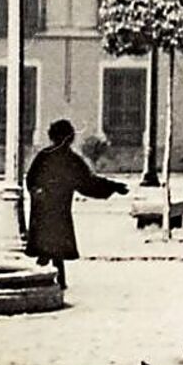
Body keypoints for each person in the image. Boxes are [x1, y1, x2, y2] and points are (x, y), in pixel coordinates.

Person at [25, 119, 129, 289]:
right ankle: (54, 279)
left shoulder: (49, 156)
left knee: (50, 248)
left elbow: (87, 182)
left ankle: (50, 277)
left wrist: (113, 186)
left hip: (48, 210)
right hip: (53, 209)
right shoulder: (67, 159)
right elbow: (88, 183)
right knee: (54, 247)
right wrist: (113, 187)